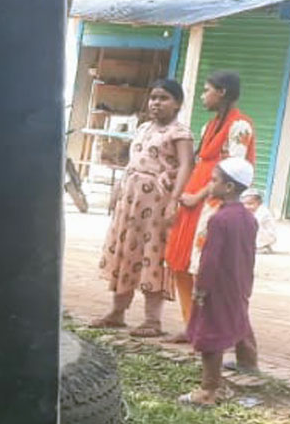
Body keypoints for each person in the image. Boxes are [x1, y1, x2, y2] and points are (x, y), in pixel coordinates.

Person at [94, 78, 194, 336]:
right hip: (130, 201)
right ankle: (117, 312)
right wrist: (119, 190)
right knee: (125, 251)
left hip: (156, 203)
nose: (156, 103)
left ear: (177, 104)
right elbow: (133, 162)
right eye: (153, 98)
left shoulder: (179, 133)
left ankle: (152, 321)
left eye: (164, 98)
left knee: (152, 255)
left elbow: (186, 165)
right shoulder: (143, 128)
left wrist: (174, 199)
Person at [162, 70, 254, 343]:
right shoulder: (209, 126)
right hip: (194, 199)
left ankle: (208, 327)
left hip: (212, 202)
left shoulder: (240, 127)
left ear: (222, 92)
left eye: (207, 90)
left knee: (200, 264)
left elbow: (231, 173)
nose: (203, 95)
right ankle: (191, 323)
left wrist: (198, 196)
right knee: (180, 262)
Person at [182, 157, 260, 405]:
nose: (210, 184)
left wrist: (201, 289)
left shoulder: (219, 220)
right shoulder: (249, 218)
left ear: (228, 187)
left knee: (210, 336)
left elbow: (210, 260)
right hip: (239, 283)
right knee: (237, 322)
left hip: (217, 286)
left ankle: (208, 390)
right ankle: (247, 366)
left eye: (214, 180)